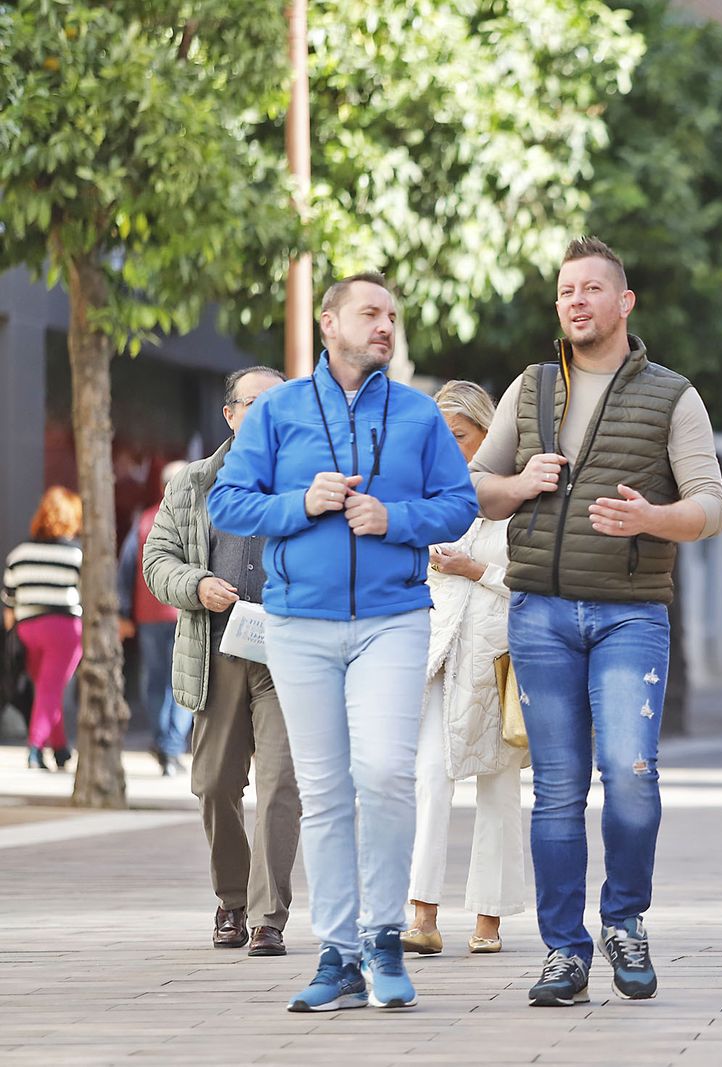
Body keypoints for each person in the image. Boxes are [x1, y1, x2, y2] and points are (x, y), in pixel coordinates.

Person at [209, 273, 477, 1012]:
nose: (386, 325)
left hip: (393, 617)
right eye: (371, 313)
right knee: (323, 790)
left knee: (387, 772)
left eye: (393, 313)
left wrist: (393, 519)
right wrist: (303, 502)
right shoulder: (280, 412)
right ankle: (338, 956)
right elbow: (229, 499)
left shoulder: (421, 415)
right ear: (330, 325)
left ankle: (384, 936)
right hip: (299, 622)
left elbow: (459, 504)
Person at [471, 237, 722, 1007]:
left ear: (624, 304)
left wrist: (654, 517)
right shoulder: (531, 386)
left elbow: (711, 506)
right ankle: (562, 951)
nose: (576, 301)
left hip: (630, 618)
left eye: (591, 289)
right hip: (540, 613)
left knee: (632, 776)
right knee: (554, 790)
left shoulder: (673, 396)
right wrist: (519, 483)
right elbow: (476, 488)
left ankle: (624, 920)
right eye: (565, 291)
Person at [143, 365, 301, 956]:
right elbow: (157, 561)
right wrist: (197, 584)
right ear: (230, 413)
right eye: (255, 403)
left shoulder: (312, 477)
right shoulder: (192, 484)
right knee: (213, 783)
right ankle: (232, 900)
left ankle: (267, 917)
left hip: (290, 651)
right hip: (217, 647)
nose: (266, 412)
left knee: (282, 783)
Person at [402, 381, 532, 957]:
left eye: (459, 435)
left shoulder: (519, 494)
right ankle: (421, 913)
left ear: (488, 432)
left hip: (498, 660)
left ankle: (489, 919)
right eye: (440, 436)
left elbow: (537, 582)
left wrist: (475, 568)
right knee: (430, 777)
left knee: (499, 789)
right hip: (436, 656)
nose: (448, 447)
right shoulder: (424, 493)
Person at [1, 487, 84, 770]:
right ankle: (35, 748)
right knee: (51, 690)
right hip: (63, 630)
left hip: (27, 630)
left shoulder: (18, 554)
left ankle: (60, 749)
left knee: (47, 689)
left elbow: (9, 604)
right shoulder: (76, 556)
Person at [119, 461, 193, 776]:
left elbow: (125, 569)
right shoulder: (194, 520)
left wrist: (124, 612)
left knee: (155, 681)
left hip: (148, 617)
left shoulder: (145, 521)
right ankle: (171, 748)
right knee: (183, 683)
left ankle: (164, 742)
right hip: (184, 614)